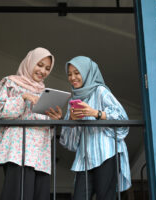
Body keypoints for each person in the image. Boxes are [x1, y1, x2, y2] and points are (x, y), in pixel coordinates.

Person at [0, 47, 61, 200]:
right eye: (39, 64)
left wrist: (54, 120)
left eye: (47, 68)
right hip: (18, 151)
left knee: (39, 195)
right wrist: (23, 97)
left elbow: (46, 125)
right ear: (30, 62)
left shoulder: (44, 92)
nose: (43, 71)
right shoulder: (11, 83)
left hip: (41, 154)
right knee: (18, 195)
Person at [59, 56, 131, 200]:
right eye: (69, 74)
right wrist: (72, 121)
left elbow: (122, 119)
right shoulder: (73, 101)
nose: (73, 77)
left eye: (77, 73)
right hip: (85, 158)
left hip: (106, 153)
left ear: (87, 72)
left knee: (105, 197)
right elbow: (69, 142)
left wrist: (96, 113)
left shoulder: (100, 91)